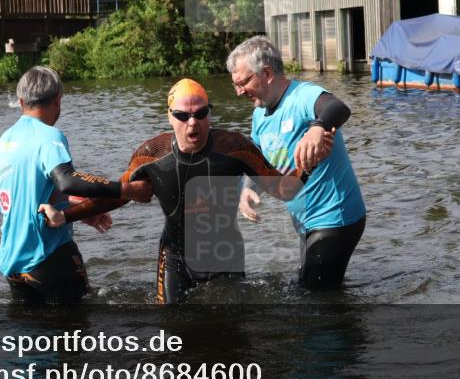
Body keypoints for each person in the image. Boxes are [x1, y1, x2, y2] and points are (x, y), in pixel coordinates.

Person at [41, 78, 314, 304]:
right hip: (175, 255)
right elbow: (120, 195)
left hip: (224, 252)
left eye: (201, 114)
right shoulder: (151, 154)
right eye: (183, 116)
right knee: (171, 326)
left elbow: (282, 189)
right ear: (170, 117)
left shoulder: (235, 146)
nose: (192, 123)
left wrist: (309, 163)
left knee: (233, 332)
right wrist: (67, 217)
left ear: (209, 113)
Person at [0, 66, 153, 304]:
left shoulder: (6, 139)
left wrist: (80, 213)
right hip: (48, 257)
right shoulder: (49, 136)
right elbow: (66, 180)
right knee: (76, 334)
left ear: (20, 101)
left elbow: (31, 198)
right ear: (58, 99)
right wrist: (125, 190)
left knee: (30, 337)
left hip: (12, 263)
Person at [227, 35, 366, 289]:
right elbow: (257, 160)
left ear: (267, 73)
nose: (238, 92)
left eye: (243, 82)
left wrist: (318, 126)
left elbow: (338, 108)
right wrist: (247, 189)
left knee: (312, 299)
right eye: (235, 85)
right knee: (316, 289)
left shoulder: (302, 96)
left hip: (335, 217)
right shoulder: (259, 114)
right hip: (307, 222)